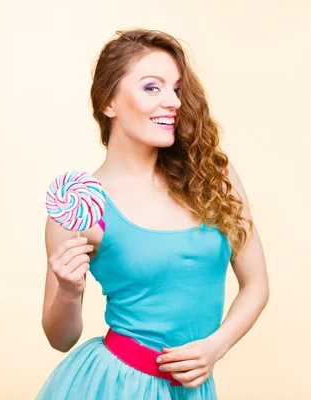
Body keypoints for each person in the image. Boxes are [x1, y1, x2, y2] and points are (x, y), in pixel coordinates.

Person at [36, 28, 269, 400]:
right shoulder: (81, 206)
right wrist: (67, 290)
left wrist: (215, 347)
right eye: (151, 87)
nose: (173, 102)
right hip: (117, 386)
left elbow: (257, 284)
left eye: (176, 89)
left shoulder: (214, 177)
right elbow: (59, 338)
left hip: (193, 388)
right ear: (108, 102)